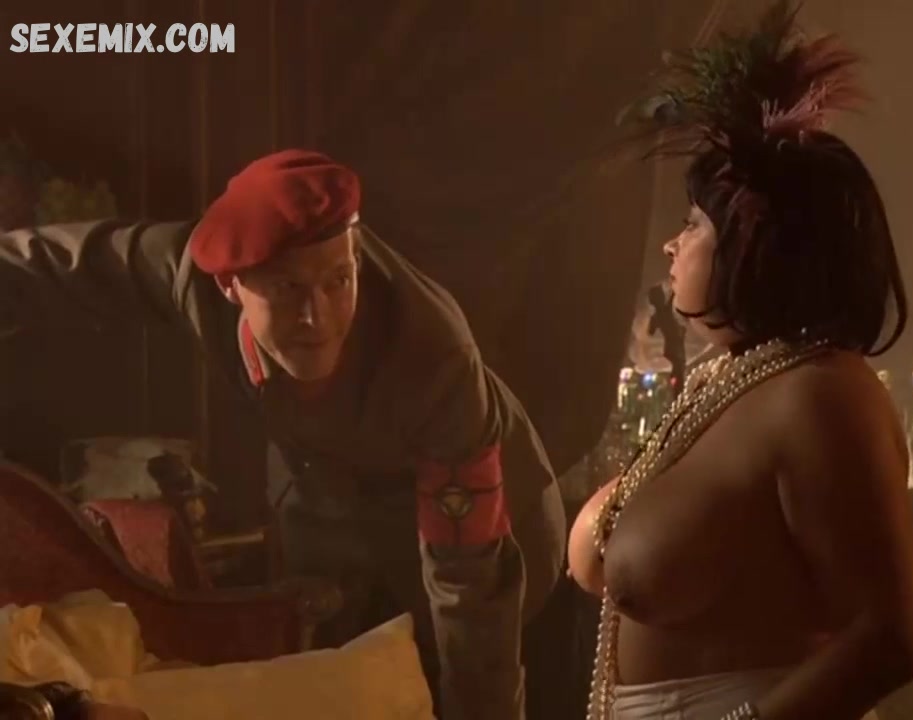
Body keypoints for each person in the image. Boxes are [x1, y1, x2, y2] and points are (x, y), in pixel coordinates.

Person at [0, 149, 567, 720]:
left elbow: (470, 588)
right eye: (288, 289)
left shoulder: (434, 361)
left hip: (487, 541)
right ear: (230, 285)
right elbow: (67, 262)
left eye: (338, 280)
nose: (317, 317)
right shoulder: (193, 275)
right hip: (331, 508)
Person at [567, 2, 913, 718]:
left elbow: (890, 639)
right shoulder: (724, 379)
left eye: (693, 224)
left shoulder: (820, 394)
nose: (673, 245)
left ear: (752, 241)